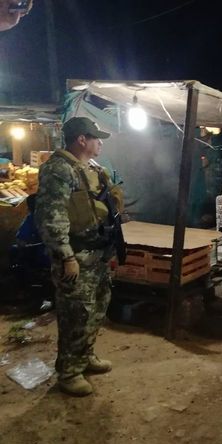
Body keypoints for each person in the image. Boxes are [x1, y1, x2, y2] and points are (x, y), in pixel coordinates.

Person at [35, 117, 124, 397]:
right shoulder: (58, 170)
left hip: (96, 255)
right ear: (81, 140)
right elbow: (51, 216)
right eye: (95, 137)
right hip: (76, 257)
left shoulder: (92, 168)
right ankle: (69, 371)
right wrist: (65, 256)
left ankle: (85, 357)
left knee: (96, 309)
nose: (100, 142)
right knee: (76, 314)